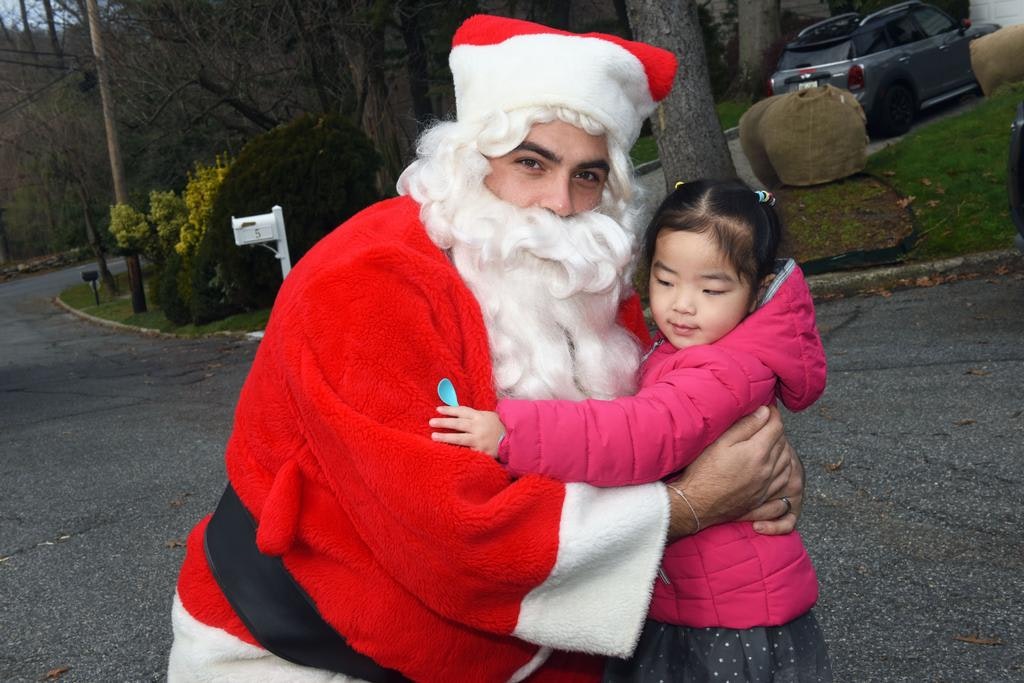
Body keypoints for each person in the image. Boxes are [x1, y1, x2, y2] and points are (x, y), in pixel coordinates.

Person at [167, 14, 806, 683]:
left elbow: (651, 422)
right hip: (309, 647)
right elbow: (454, 537)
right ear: (471, 159)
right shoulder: (364, 283)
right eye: (532, 162)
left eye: (587, 176)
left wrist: (758, 466)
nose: (559, 203)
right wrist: (693, 503)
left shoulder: (578, 269)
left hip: (510, 638)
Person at [431, 179, 832, 681]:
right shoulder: (694, 348)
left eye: (711, 289)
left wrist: (511, 432)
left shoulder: (723, 370)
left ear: (757, 292)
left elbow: (643, 435)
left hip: (728, 620)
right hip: (704, 600)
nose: (682, 304)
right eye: (666, 281)